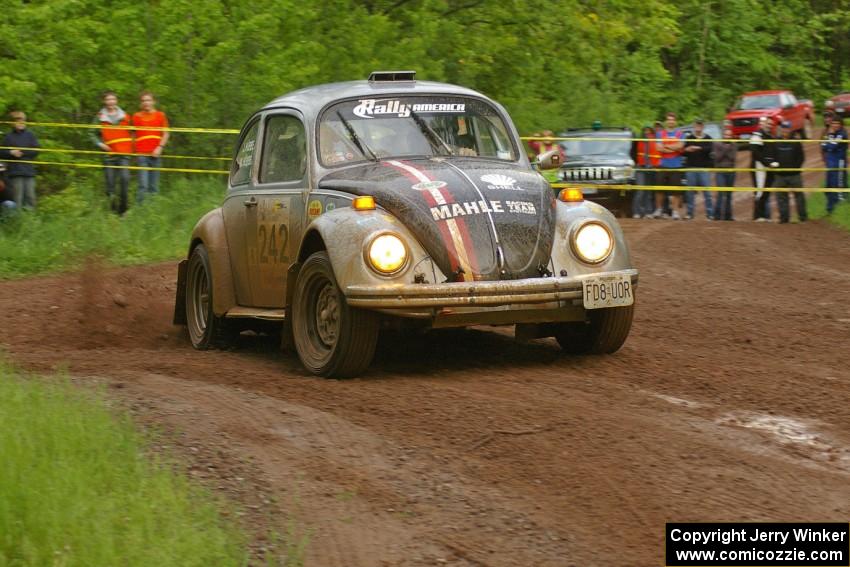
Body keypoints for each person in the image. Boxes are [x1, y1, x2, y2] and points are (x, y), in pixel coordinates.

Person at [91, 91, 133, 214]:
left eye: (113, 99)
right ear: (104, 101)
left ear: (116, 101)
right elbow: (91, 133)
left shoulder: (125, 116)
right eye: (108, 100)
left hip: (124, 155)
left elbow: (133, 132)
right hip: (109, 156)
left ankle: (123, 210)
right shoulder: (99, 117)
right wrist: (100, 144)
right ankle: (112, 210)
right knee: (110, 184)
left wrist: (132, 146)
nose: (111, 102)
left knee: (125, 180)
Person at [131, 91, 170, 204]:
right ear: (141, 103)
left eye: (148, 100)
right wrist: (134, 152)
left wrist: (160, 147)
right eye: (143, 101)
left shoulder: (160, 115)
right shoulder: (136, 116)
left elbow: (166, 133)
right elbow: (133, 135)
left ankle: (153, 211)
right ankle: (140, 210)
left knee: (154, 186)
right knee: (143, 185)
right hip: (141, 155)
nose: (146, 103)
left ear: (153, 102)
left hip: (155, 155)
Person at [768, 120, 806, 223]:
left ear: (790, 129)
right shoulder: (776, 142)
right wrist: (773, 165)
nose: (785, 130)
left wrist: (795, 168)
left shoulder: (796, 142)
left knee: (799, 196)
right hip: (780, 175)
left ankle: (803, 218)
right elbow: (772, 156)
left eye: (787, 128)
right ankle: (784, 218)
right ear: (781, 129)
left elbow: (801, 157)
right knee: (781, 197)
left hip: (794, 175)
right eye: (783, 128)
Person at [0, 111, 40, 209]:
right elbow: (1, 152)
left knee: (30, 196)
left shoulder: (30, 135)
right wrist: (11, 152)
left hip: (28, 171)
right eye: (18, 121)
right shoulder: (8, 137)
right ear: (13, 123)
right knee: (17, 197)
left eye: (22, 121)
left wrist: (22, 152)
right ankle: (18, 220)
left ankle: (30, 219)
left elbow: (36, 150)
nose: (20, 123)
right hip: (14, 172)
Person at [651, 112, 685, 219]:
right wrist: (673, 147)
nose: (670, 121)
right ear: (666, 121)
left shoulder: (680, 133)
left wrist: (666, 146)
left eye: (672, 119)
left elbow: (680, 146)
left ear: (675, 121)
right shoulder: (660, 133)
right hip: (663, 164)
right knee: (659, 188)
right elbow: (658, 148)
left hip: (676, 164)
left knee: (676, 190)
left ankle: (675, 211)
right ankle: (659, 210)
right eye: (669, 119)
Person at [683, 119, 714, 219]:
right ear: (694, 126)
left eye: (700, 125)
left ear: (703, 127)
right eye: (696, 125)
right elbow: (683, 151)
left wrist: (698, 148)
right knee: (690, 192)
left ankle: (710, 214)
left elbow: (710, 149)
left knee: (707, 193)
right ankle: (689, 213)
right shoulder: (689, 138)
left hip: (704, 168)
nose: (698, 127)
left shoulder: (708, 138)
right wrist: (687, 149)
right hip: (691, 167)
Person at [749, 116, 774, 221]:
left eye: (770, 124)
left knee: (766, 191)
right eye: (766, 123)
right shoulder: (757, 136)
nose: (768, 125)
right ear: (761, 124)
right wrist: (766, 163)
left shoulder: (770, 136)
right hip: (758, 167)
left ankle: (764, 215)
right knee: (760, 191)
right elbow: (755, 152)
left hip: (769, 167)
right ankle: (758, 215)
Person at [821, 117, 848, 214]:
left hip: (839, 163)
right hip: (830, 163)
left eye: (837, 123)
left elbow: (831, 146)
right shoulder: (830, 134)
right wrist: (828, 144)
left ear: (841, 124)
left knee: (838, 185)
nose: (835, 125)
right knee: (829, 186)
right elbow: (823, 145)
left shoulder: (842, 134)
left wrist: (828, 144)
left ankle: (838, 207)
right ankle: (830, 208)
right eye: (833, 123)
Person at [632, 124, 659, 218]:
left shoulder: (655, 140)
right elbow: (633, 153)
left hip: (651, 168)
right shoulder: (638, 141)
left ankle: (648, 212)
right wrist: (636, 163)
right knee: (640, 190)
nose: (647, 132)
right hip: (640, 168)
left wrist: (655, 166)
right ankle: (637, 212)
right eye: (645, 130)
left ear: (652, 131)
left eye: (649, 130)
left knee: (648, 192)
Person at [712, 126, 738, 220]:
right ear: (723, 135)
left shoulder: (734, 145)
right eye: (726, 134)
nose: (727, 136)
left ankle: (728, 215)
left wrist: (724, 150)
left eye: (729, 135)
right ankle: (717, 215)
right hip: (720, 171)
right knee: (720, 193)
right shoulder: (717, 144)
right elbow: (717, 158)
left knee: (729, 194)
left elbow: (732, 158)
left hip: (731, 171)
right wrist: (726, 149)